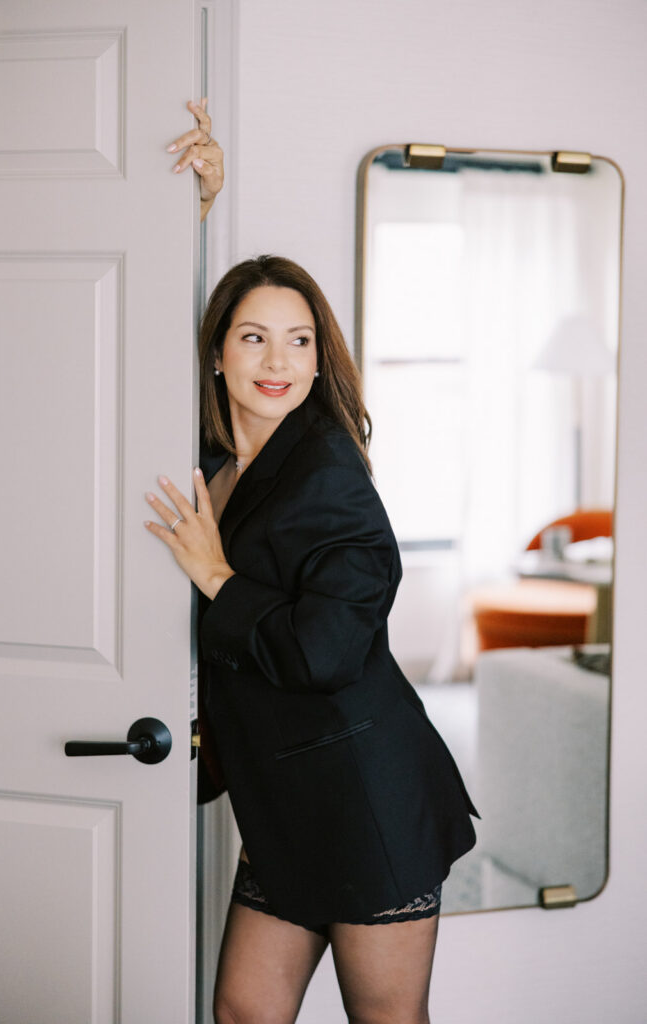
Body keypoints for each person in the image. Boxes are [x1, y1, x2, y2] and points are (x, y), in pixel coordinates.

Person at [145, 100, 478, 1024]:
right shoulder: (215, 461)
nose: (277, 360)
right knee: (245, 1013)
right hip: (285, 801)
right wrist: (197, 207)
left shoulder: (325, 471)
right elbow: (133, 312)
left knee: (385, 1021)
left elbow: (326, 648)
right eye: (253, 337)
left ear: (318, 354)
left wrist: (217, 579)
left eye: (299, 339)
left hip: (366, 800)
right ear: (217, 355)